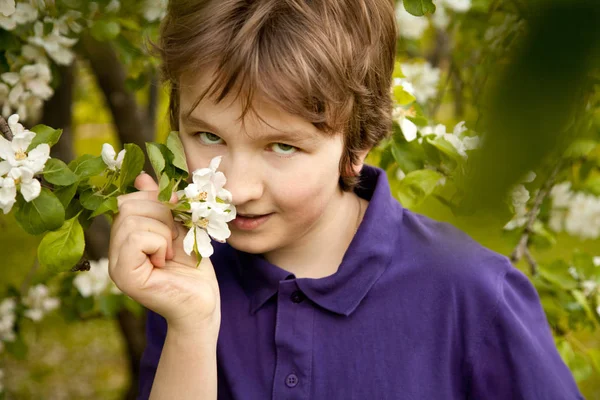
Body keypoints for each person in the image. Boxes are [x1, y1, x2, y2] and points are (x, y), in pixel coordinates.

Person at [108, 0, 584, 399]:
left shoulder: (474, 294)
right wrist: (191, 328)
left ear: (356, 145)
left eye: (282, 146)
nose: (232, 188)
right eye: (208, 135)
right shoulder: (190, 271)